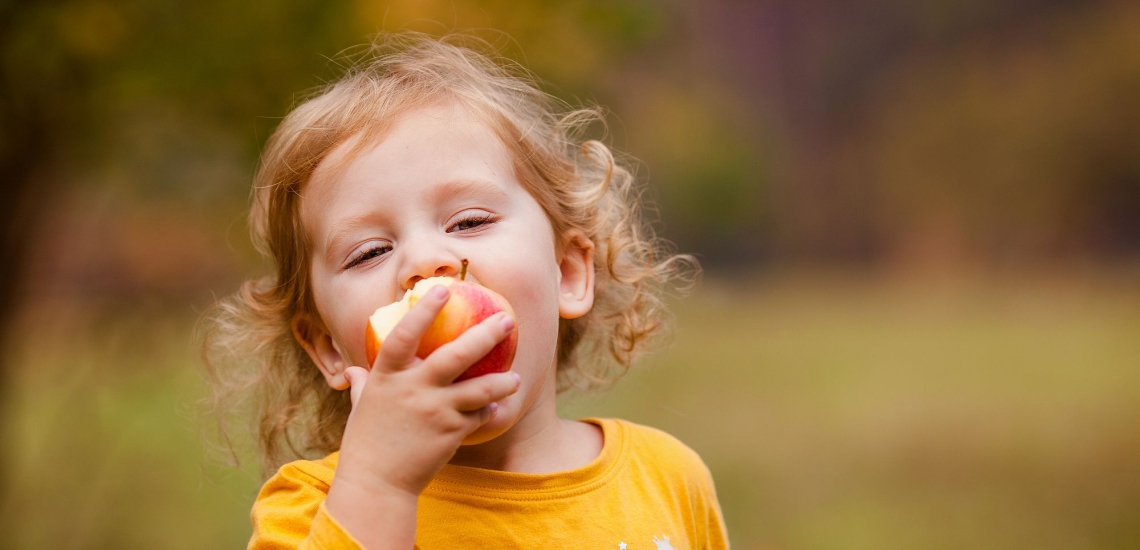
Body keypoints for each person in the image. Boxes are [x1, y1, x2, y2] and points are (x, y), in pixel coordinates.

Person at [204, 32, 728, 549]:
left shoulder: (667, 479)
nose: (425, 261)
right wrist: (379, 485)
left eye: (469, 221)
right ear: (328, 348)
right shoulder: (311, 509)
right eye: (369, 252)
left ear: (566, 272)